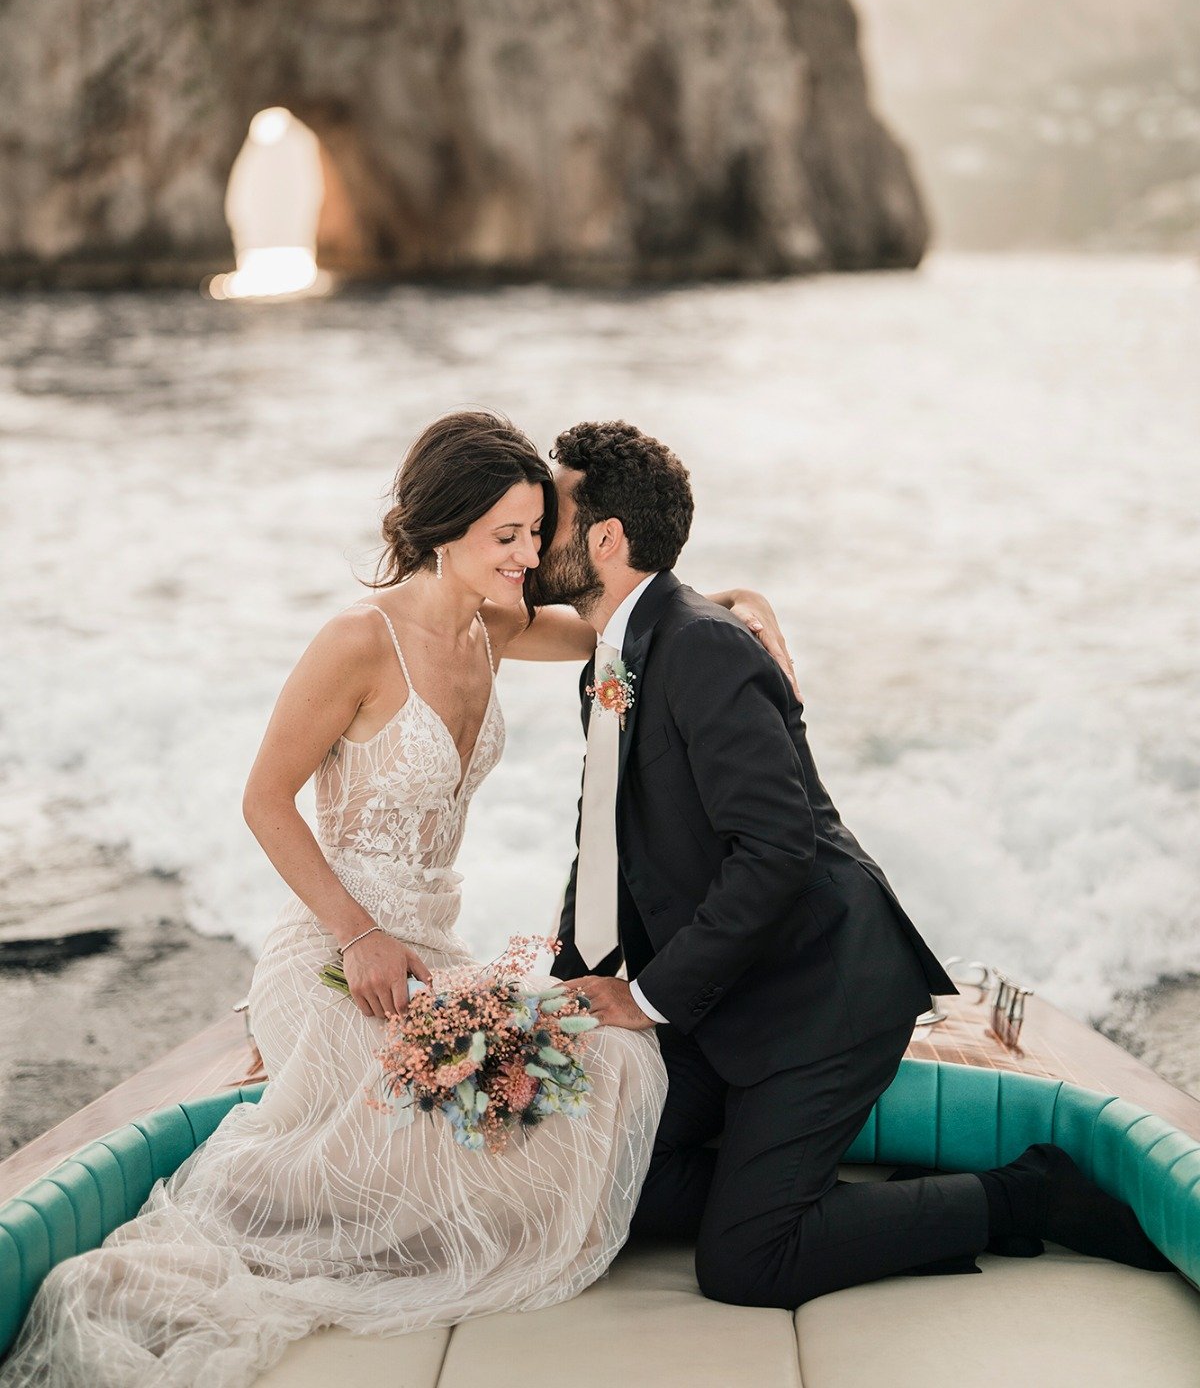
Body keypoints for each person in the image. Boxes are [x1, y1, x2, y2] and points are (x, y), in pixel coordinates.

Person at [0, 410, 794, 1388]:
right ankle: (759, 1216)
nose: (530, 555)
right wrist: (361, 932)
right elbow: (263, 801)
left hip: (437, 946)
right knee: (480, 1114)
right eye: (506, 536)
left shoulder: (495, 627)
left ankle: (757, 1201)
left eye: (536, 532)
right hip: (341, 954)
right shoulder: (357, 642)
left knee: (618, 1054)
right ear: (442, 529)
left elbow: (629, 616)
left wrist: (740, 604)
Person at [538, 418, 1175, 1307]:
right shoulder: (615, 657)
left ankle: (1025, 1192)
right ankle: (776, 1196)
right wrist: (567, 981)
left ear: (605, 539)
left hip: (819, 996)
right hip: (722, 998)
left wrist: (644, 1001)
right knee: (591, 1190)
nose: (532, 534)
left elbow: (775, 853)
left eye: (549, 513)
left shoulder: (705, 648)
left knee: (745, 1267)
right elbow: (608, 836)